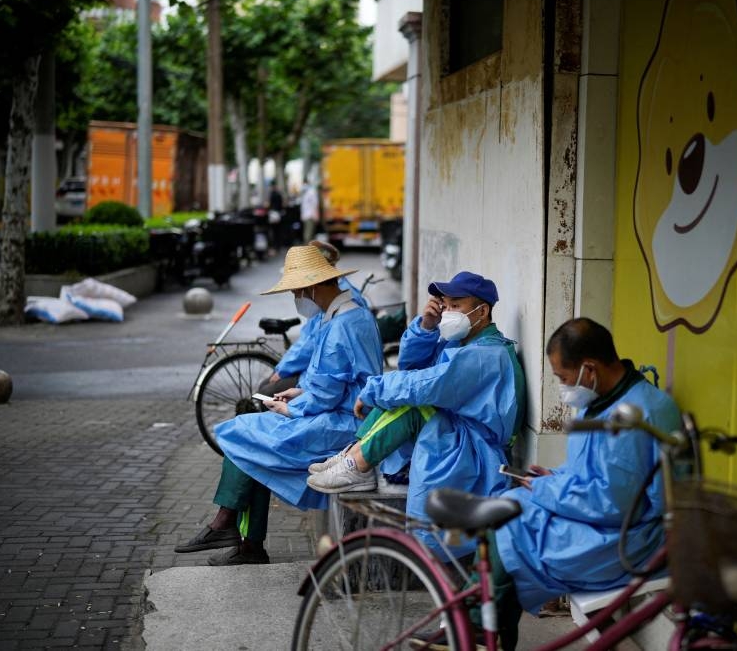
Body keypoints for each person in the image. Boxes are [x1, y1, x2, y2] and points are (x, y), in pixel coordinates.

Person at [174, 246, 383, 565]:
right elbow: (334, 379)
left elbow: (328, 391)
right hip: (337, 414)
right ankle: (244, 540)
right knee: (247, 437)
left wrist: (292, 408)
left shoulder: (343, 323)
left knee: (240, 433)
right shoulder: (345, 315)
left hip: (344, 425)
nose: (296, 297)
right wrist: (297, 393)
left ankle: (232, 530)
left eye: (297, 291)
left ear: (310, 287)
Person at [485, 317, 681, 650]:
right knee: (505, 510)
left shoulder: (641, 413)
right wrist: (553, 478)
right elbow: (589, 473)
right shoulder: (598, 401)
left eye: (562, 378)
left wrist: (547, 490)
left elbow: (613, 504)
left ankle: (483, 631)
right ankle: (484, 629)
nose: (562, 388)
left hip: (626, 538)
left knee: (507, 531)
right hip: (596, 517)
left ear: (589, 369)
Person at [306, 271, 526, 557]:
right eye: (445, 305)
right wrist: (426, 326)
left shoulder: (486, 354)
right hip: (457, 436)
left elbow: (428, 384)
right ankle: (355, 456)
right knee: (402, 395)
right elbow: (411, 367)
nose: (447, 311)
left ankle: (358, 462)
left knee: (412, 403)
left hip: (475, 452)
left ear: (482, 311)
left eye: (456, 306)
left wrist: (372, 389)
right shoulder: (463, 342)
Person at [257, 240, 367, 397]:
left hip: (337, 402)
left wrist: (293, 405)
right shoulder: (332, 307)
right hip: (320, 387)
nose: (296, 299)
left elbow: (329, 388)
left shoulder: (343, 316)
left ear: (313, 286)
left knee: (267, 393)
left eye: (296, 293)